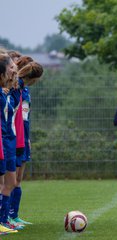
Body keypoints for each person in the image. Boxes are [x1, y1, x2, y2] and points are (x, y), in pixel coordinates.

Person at [8, 60, 43, 226]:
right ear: (35, 78)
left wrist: (26, 137)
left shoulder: (24, 89)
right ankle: (6, 217)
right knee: (10, 180)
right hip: (12, 138)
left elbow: (24, 117)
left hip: (22, 137)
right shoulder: (15, 87)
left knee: (17, 179)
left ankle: (13, 216)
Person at [0, 53, 21, 234]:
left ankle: (4, 220)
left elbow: (13, 105)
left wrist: (13, 85)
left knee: (10, 182)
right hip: (4, 140)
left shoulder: (7, 93)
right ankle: (2, 220)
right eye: (11, 67)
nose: (15, 69)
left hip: (9, 141)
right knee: (5, 182)